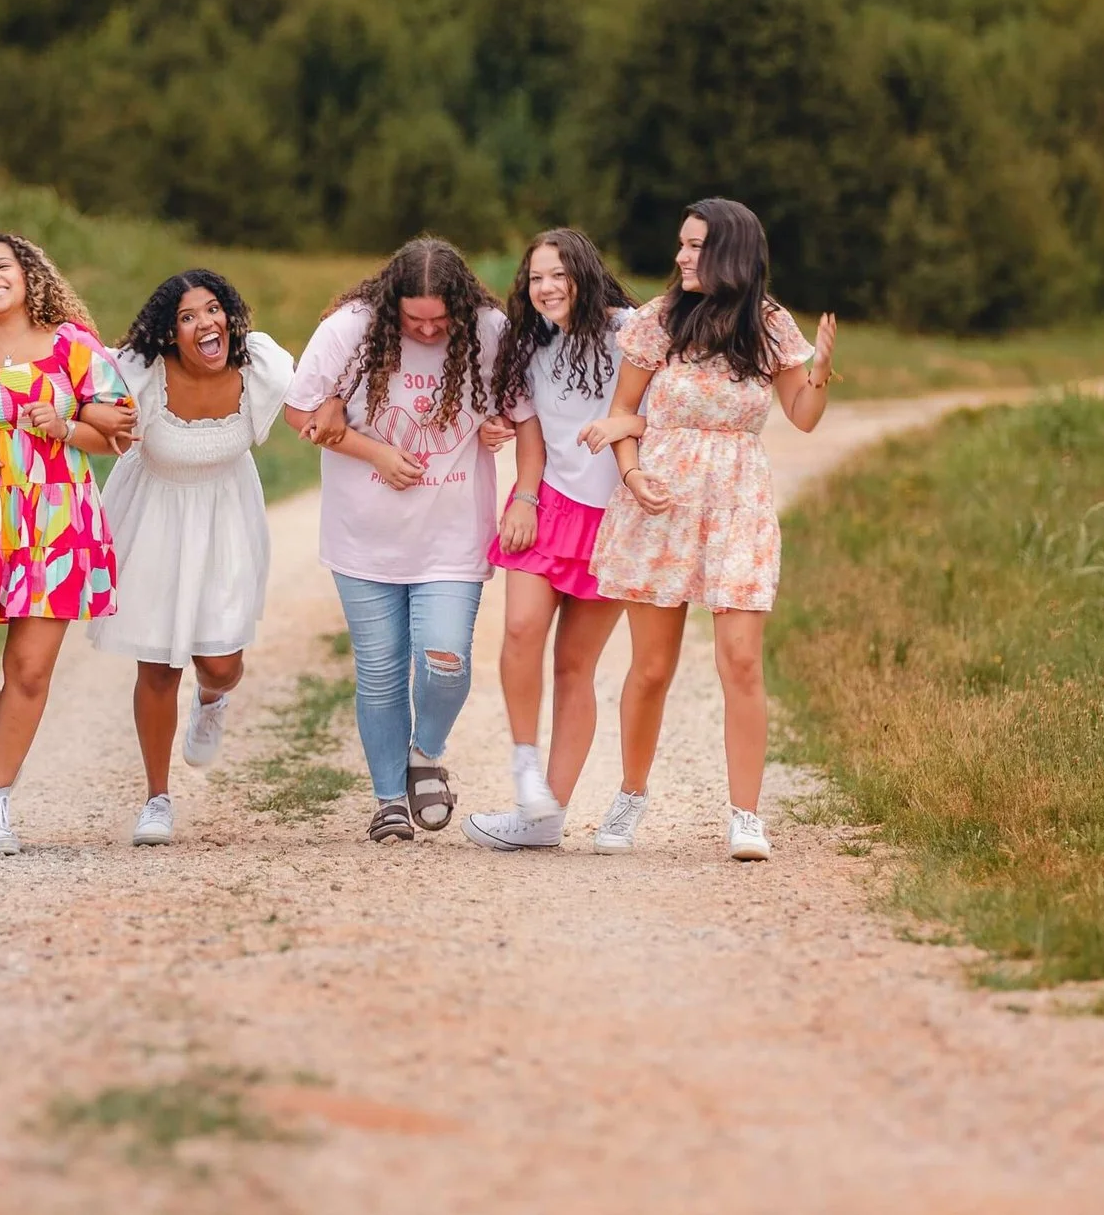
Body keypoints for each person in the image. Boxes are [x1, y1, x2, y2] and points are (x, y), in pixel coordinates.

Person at [588, 197, 837, 862]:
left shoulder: (772, 324)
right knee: (651, 667)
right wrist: (633, 474)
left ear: (730, 251)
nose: (680, 257)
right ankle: (630, 796)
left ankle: (746, 816)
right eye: (681, 244)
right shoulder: (657, 321)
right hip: (661, 499)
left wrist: (819, 371)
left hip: (737, 501)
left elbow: (804, 416)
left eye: (694, 246)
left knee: (742, 661)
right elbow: (622, 413)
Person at [281, 238, 509, 843]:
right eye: (415, 321)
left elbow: (519, 406)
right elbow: (299, 413)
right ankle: (387, 799)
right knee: (380, 671)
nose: (430, 331)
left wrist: (501, 424)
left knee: (446, 658)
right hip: (364, 535)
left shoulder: (490, 329)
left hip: (453, 532)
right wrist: (372, 450)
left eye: (441, 320)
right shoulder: (347, 331)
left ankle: (425, 753)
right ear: (391, 309)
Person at [0, 234, 132, 856]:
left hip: (57, 518)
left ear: (29, 274)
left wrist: (67, 426)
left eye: (2, 266)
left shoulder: (72, 346)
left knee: (30, 670)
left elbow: (118, 430)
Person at [91, 270, 297, 845]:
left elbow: (319, 395)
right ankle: (157, 798)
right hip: (154, 516)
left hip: (228, 516)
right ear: (168, 334)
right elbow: (80, 386)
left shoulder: (259, 365)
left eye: (212, 310)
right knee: (158, 665)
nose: (205, 323)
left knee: (221, 662)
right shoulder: (142, 372)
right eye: (188, 317)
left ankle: (213, 700)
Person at [463, 230, 646, 853]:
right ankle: (524, 771)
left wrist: (625, 424)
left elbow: (675, 408)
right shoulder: (526, 344)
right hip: (552, 507)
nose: (545, 288)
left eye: (558, 275)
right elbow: (533, 435)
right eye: (536, 277)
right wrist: (523, 496)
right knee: (519, 630)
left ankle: (547, 818)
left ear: (584, 275)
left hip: (619, 517)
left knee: (575, 666)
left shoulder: (632, 330)